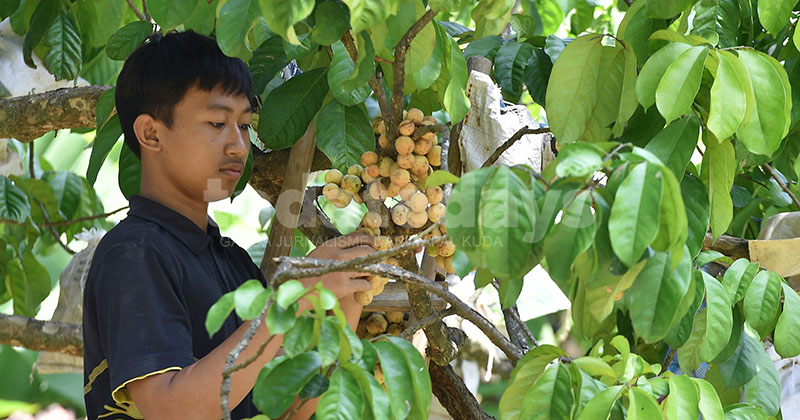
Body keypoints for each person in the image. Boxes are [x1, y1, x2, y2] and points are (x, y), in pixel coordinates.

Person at [82, 30, 375, 420]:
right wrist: (290, 299)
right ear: (151, 133)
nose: (239, 145)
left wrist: (341, 306)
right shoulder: (135, 252)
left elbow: (291, 409)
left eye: (244, 125)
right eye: (218, 123)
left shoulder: (233, 261)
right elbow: (171, 410)